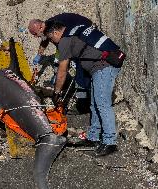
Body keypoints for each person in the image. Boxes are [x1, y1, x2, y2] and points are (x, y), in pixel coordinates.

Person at [43, 21, 124, 156]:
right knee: (94, 104)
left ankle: (110, 142)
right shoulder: (74, 29)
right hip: (99, 68)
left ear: (56, 33)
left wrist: (56, 92)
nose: (52, 42)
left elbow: (62, 71)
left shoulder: (65, 41)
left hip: (103, 66)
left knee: (102, 103)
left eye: (51, 39)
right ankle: (93, 137)